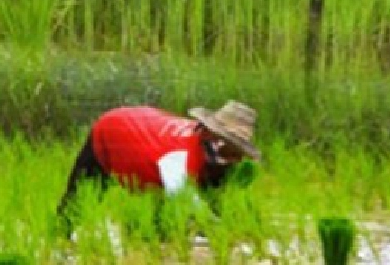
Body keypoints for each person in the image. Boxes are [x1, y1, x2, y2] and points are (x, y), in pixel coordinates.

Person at [55, 101, 262, 235]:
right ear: (211, 135)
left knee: (160, 224)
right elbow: (188, 205)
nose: (237, 158)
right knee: (76, 206)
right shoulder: (178, 158)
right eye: (232, 148)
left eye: (239, 150)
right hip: (115, 131)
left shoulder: (217, 156)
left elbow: (214, 202)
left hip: (151, 127)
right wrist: (223, 231)